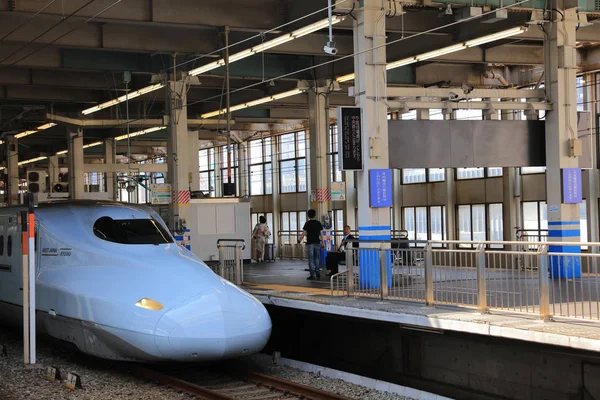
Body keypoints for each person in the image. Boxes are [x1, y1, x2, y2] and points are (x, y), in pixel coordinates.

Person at [297, 209, 323, 280]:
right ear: (315, 215)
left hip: (310, 243)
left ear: (308, 215)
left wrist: (299, 241)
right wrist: (323, 243)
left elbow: (303, 233)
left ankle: (312, 275)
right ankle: (317, 272)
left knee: (311, 259)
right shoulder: (318, 223)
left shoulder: (307, 223)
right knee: (317, 258)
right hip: (317, 243)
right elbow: (321, 234)